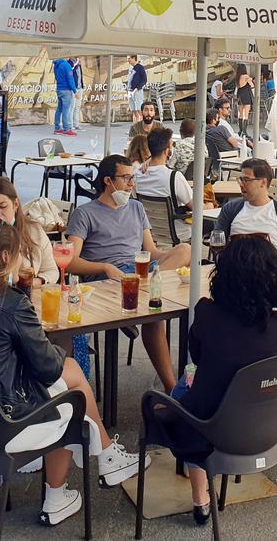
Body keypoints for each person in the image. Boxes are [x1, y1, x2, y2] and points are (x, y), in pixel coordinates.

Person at [0, 220, 142, 526]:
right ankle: (64, 491)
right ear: (5, 258)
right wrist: (48, 346)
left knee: (67, 374)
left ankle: (107, 457)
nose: (21, 260)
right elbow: (48, 368)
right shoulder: (10, 303)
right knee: (71, 396)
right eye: (17, 253)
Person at [163, 235, 277, 524]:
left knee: (179, 392)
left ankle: (201, 496)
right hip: (268, 428)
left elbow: (197, 358)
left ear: (222, 276)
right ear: (274, 276)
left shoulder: (206, 313)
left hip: (209, 426)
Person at [65, 155, 191, 389]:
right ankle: (172, 387)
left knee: (185, 249)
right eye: (126, 178)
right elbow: (71, 261)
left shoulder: (136, 207)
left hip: (139, 271)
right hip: (108, 278)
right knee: (155, 315)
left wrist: (171, 256)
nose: (132, 183)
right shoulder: (85, 213)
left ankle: (140, 294)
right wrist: (104, 267)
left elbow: (150, 250)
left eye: (132, 178)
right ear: (108, 181)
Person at [213, 158, 277, 257]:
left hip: (269, 270)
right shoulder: (230, 209)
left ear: (263, 182)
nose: (241, 184)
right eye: (241, 179)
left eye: (246, 180)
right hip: (235, 269)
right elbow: (218, 240)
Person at [134, 128, 206, 241]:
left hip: (147, 230)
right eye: (172, 145)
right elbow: (197, 208)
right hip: (176, 231)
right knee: (210, 223)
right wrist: (210, 206)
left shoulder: (137, 174)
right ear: (167, 151)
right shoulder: (173, 177)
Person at [52, 57, 78, 136]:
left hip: (59, 89)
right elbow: (70, 79)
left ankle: (57, 128)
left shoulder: (56, 65)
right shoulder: (66, 65)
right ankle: (66, 129)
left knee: (59, 109)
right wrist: (74, 90)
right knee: (66, 110)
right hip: (66, 90)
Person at [234, 63, 255, 135]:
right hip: (246, 95)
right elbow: (252, 86)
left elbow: (237, 87)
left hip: (240, 95)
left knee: (240, 114)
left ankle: (240, 130)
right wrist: (251, 80)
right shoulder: (246, 76)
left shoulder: (237, 77)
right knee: (246, 114)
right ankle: (245, 131)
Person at [127, 54, 147, 123]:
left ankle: (142, 127)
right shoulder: (131, 68)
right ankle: (135, 127)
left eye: (129, 58)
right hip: (130, 91)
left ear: (134, 58)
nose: (128, 60)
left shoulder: (140, 68)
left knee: (139, 109)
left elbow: (144, 80)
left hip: (137, 91)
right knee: (133, 110)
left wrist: (137, 89)